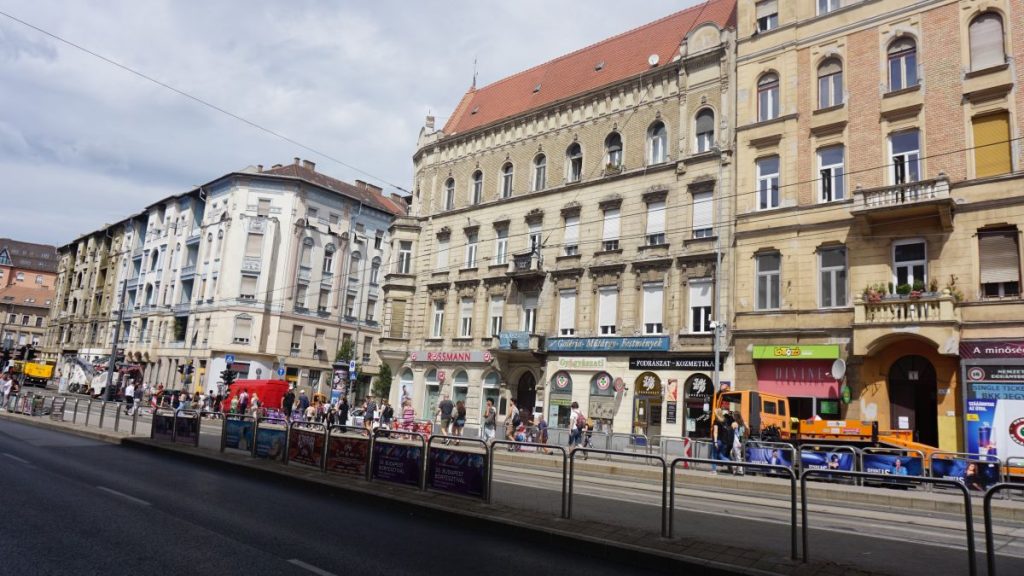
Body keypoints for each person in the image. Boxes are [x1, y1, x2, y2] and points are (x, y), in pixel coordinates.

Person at [711, 409, 735, 474]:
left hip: (718, 440)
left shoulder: (716, 421)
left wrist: (715, 442)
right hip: (724, 441)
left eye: (715, 413)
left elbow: (715, 432)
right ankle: (732, 464)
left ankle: (714, 470)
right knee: (721, 455)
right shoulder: (724, 420)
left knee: (714, 456)